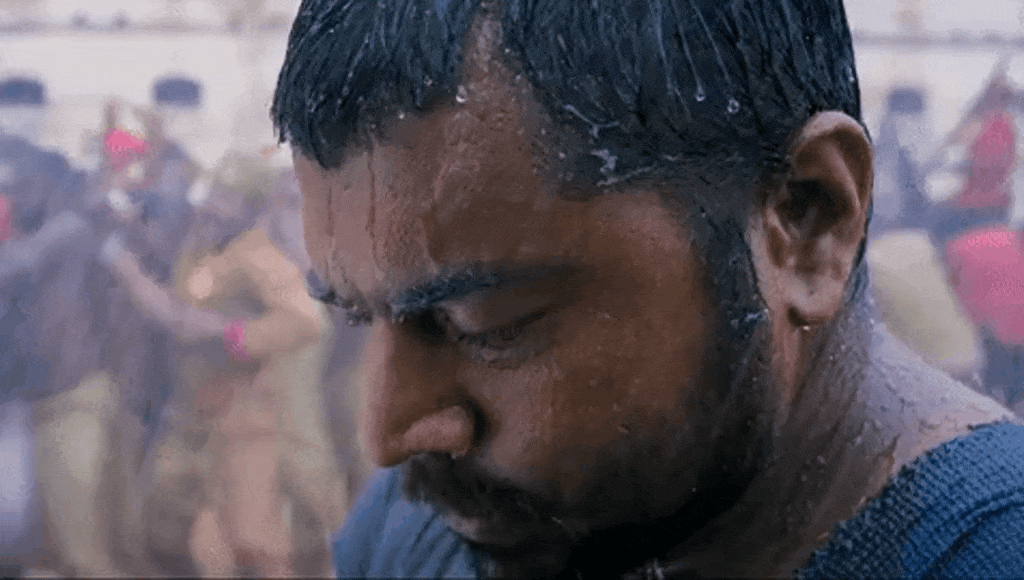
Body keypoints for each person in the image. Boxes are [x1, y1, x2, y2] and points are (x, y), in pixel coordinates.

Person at [271, 1, 1024, 578]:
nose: (386, 433)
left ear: (806, 220)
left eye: (487, 324)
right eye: (358, 315)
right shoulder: (435, 527)